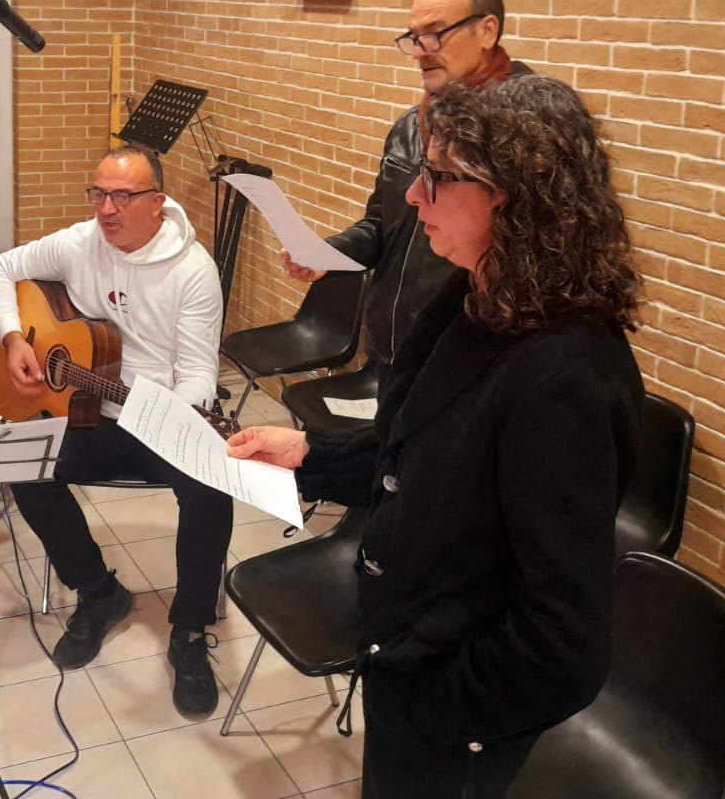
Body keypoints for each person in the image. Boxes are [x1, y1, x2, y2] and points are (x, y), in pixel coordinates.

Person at [230, 75, 644, 798]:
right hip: (410, 647)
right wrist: (310, 455)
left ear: (512, 195)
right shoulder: (475, 296)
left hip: (454, 704)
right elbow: (426, 458)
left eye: (438, 176)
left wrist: (429, 707)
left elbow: (563, 646)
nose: (414, 197)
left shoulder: (564, 378)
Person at [0, 146, 231, 717]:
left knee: (211, 489)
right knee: (24, 464)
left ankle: (190, 629)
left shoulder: (193, 270)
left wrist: (179, 416)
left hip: (162, 419)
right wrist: (15, 339)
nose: (107, 208)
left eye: (123, 196)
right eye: (99, 194)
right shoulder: (79, 242)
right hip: (90, 414)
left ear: (158, 202)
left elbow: (197, 371)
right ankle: (99, 592)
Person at [285, 0, 531, 381]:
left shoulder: (526, 132)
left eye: (435, 34)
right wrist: (326, 255)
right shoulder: (411, 127)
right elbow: (381, 227)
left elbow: (535, 261)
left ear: (487, 31)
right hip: (393, 352)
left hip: (465, 361)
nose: (419, 52)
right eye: (414, 37)